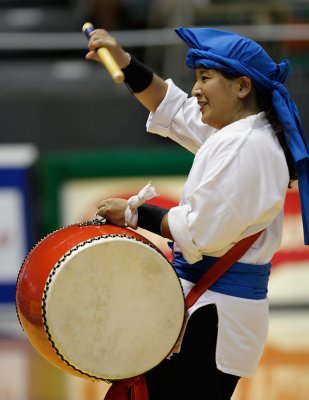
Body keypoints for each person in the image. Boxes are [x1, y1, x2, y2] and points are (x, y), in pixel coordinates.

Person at [85, 27, 309, 399]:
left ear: (242, 86)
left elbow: (202, 233)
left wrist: (135, 214)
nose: (195, 89)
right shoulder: (237, 132)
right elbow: (169, 106)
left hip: (214, 318)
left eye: (206, 78)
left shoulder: (247, 146)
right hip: (207, 311)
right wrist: (122, 58)